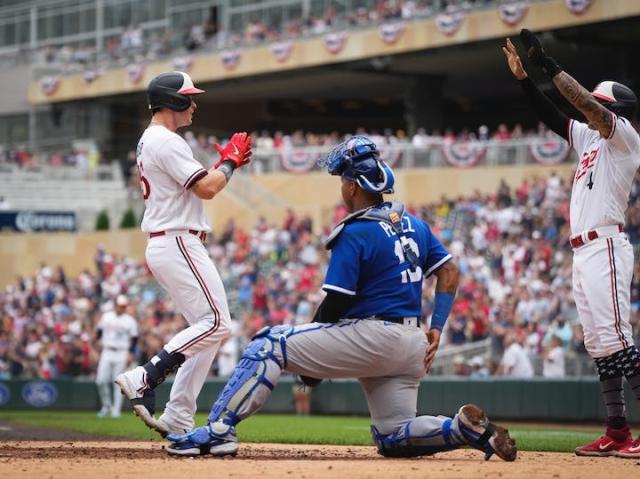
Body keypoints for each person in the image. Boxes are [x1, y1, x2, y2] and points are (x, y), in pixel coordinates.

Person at [165, 135, 517, 461]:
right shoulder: (415, 224)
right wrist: (437, 327)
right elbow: (450, 271)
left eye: (342, 182)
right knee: (392, 437)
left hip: (372, 337)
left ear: (351, 186)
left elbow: (336, 302)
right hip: (412, 344)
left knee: (268, 344)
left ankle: (218, 431)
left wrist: (309, 363)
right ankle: (461, 430)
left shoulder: (356, 229)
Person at [503, 30, 640, 458]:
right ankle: (617, 431)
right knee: (601, 346)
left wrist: (552, 68)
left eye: (600, 104)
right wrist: (527, 79)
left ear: (615, 111)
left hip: (606, 245)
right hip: (583, 251)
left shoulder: (624, 139)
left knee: (619, 339)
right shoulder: (590, 140)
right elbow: (554, 117)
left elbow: (580, 101)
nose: (591, 107)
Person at [115, 71, 253, 437]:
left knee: (208, 330)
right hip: (176, 239)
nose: (193, 104)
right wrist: (229, 163)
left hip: (173, 240)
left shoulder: (154, 139)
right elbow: (207, 188)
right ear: (172, 101)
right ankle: (145, 375)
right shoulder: (164, 140)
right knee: (218, 323)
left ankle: (178, 416)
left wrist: (226, 164)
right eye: (188, 97)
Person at [96, 295, 138, 418]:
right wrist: (97, 340)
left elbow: (135, 338)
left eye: (124, 306)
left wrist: (131, 353)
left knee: (118, 382)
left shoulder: (130, 320)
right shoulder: (106, 316)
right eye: (120, 306)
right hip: (107, 351)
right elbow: (99, 331)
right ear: (116, 305)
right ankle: (107, 405)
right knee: (100, 381)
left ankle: (116, 410)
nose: (122, 308)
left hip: (121, 352)